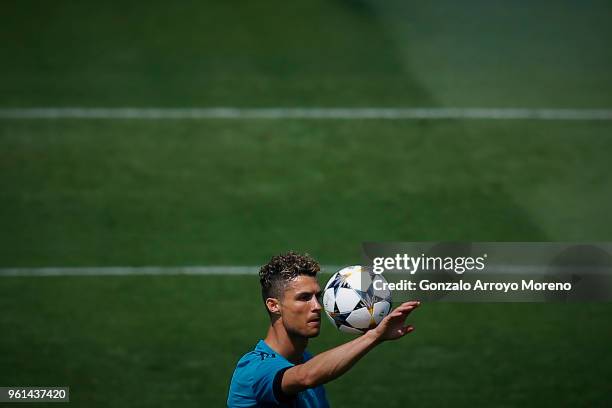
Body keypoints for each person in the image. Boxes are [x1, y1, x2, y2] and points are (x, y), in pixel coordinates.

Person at [227, 251, 420, 407]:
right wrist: (374, 336)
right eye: (304, 298)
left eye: (317, 297)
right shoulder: (255, 369)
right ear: (273, 305)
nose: (317, 307)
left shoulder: (307, 360)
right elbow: (304, 377)